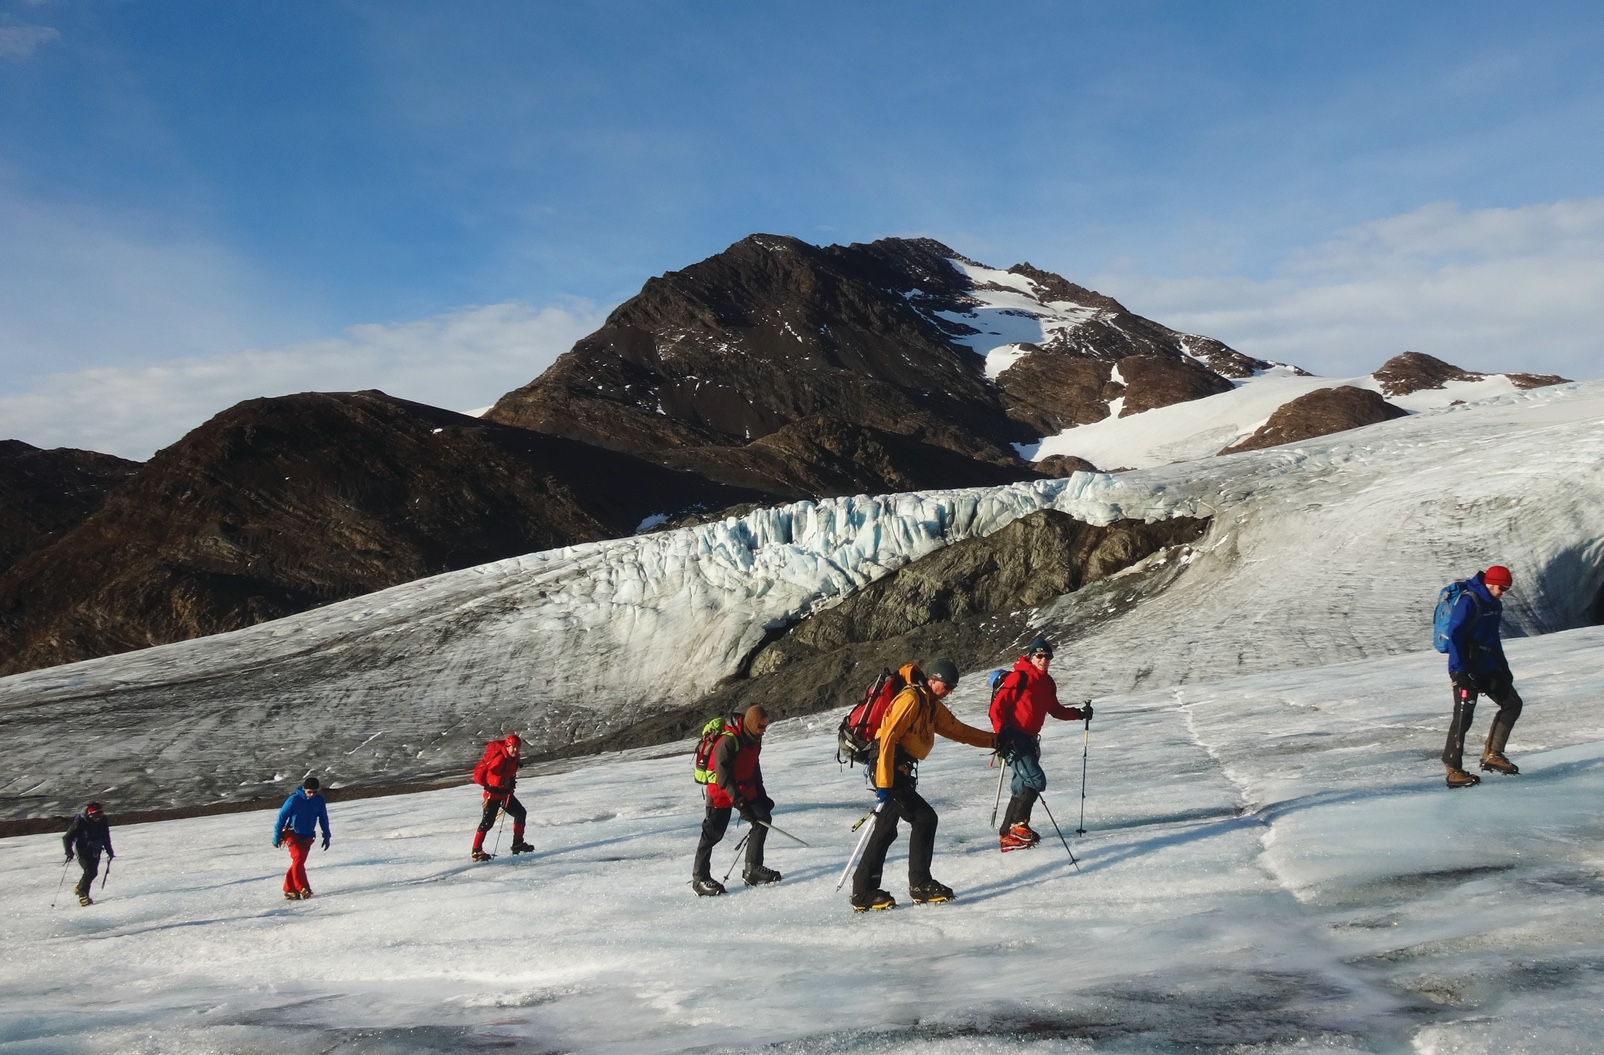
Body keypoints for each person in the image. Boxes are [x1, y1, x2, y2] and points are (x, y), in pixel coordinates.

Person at [850, 658, 1000, 912]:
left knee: (886, 829)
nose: (950, 692)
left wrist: (995, 741)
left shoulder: (930, 705)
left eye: (952, 687)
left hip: (899, 770)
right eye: (948, 686)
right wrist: (885, 784)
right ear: (933, 680)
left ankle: (864, 891)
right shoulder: (910, 700)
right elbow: (887, 738)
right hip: (888, 769)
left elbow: (959, 731)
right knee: (924, 819)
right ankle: (920, 884)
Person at [989, 636, 1091, 851]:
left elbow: (1055, 710)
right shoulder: (1018, 678)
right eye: (1039, 656)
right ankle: (1018, 827)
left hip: (1029, 740)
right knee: (1035, 779)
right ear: (1031, 656)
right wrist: (1001, 736)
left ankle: (1007, 835)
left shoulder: (1047, 682)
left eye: (1047, 656)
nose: (1043, 660)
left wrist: (1079, 714)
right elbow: (996, 710)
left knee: (1020, 786)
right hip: (1013, 738)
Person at [1442, 565, 1523, 788]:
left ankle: (1493, 754)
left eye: (1507, 588)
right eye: (1502, 587)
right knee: (1463, 716)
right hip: (1465, 667)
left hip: (1487, 666)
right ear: (1490, 583)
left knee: (1512, 703)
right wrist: (1459, 670)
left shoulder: (1494, 604)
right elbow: (1455, 636)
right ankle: (1453, 770)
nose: (1504, 592)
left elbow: (1493, 639)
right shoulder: (1469, 600)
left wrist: (1503, 668)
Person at [692, 705, 778, 896]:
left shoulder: (755, 740)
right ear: (751, 724)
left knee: (762, 818)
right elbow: (723, 777)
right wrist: (739, 803)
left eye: (765, 727)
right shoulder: (728, 741)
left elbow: (754, 768)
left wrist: (761, 795)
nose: (764, 731)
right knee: (712, 835)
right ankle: (699, 879)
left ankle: (753, 869)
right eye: (761, 727)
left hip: (745, 788)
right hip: (721, 791)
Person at [472, 733, 533, 861]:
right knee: (487, 824)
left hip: (504, 794)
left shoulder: (514, 758)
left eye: (517, 747)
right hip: (492, 795)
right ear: (507, 746)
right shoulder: (500, 759)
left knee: (520, 813)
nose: (515, 750)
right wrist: (504, 782)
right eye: (513, 747)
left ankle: (517, 844)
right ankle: (476, 851)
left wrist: (508, 783)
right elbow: (490, 777)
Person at [273, 777, 331, 900]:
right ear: (304, 790)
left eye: (315, 792)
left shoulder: (319, 801)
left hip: (308, 837)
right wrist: (277, 836)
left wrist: (327, 835)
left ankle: (290, 891)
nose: (312, 795)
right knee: (298, 858)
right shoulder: (294, 800)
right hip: (292, 833)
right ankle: (303, 888)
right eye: (309, 792)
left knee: (297, 863)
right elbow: (281, 818)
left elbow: (323, 818)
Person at [62, 801, 114, 907]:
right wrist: (69, 851)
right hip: (82, 850)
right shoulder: (80, 822)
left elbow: (105, 835)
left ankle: (80, 887)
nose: (98, 817)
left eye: (100, 813)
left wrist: (109, 850)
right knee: (89, 871)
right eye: (96, 814)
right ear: (90, 814)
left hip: (96, 849)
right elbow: (67, 837)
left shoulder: (103, 820)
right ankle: (83, 894)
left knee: (93, 873)